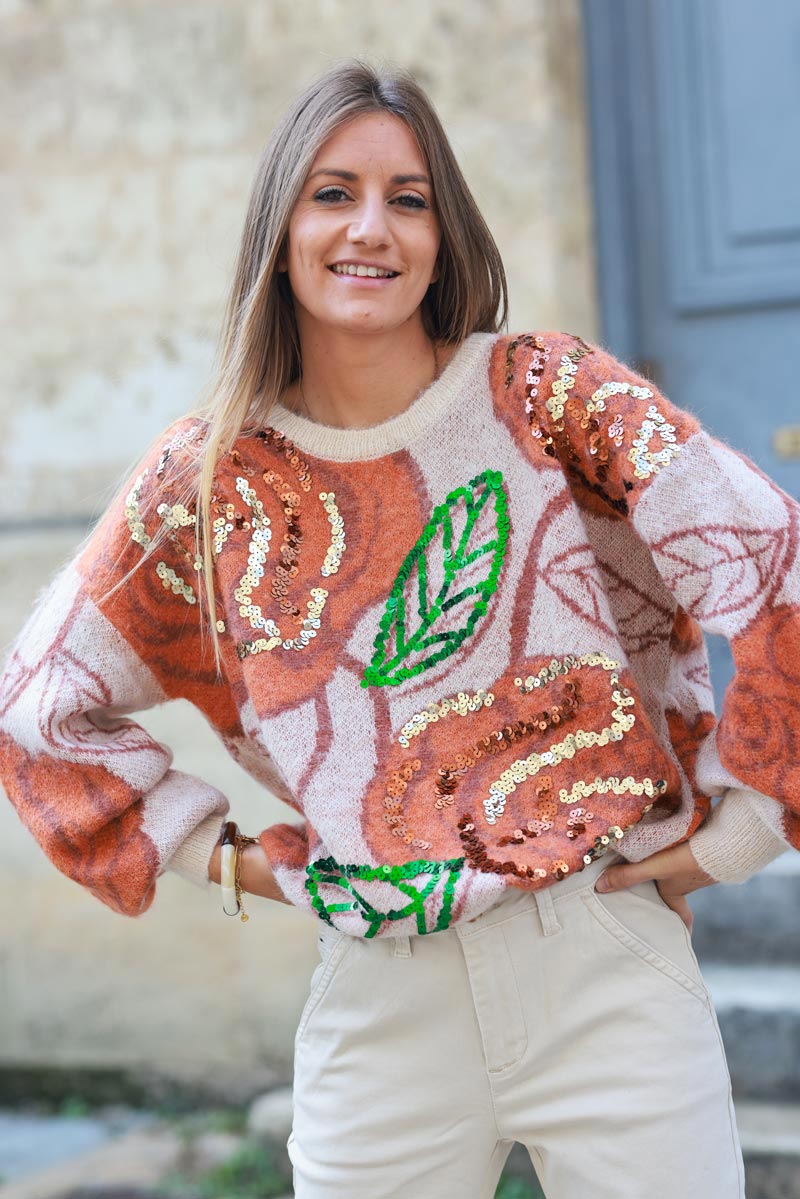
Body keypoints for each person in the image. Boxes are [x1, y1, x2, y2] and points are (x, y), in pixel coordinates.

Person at [1, 55, 797, 1199]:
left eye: (407, 198)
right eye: (332, 192)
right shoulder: (208, 479)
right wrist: (230, 864)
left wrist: (747, 822)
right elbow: (38, 701)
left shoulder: (545, 395)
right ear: (279, 229)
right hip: (381, 996)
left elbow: (774, 554)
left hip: (602, 957)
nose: (369, 226)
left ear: (441, 233)